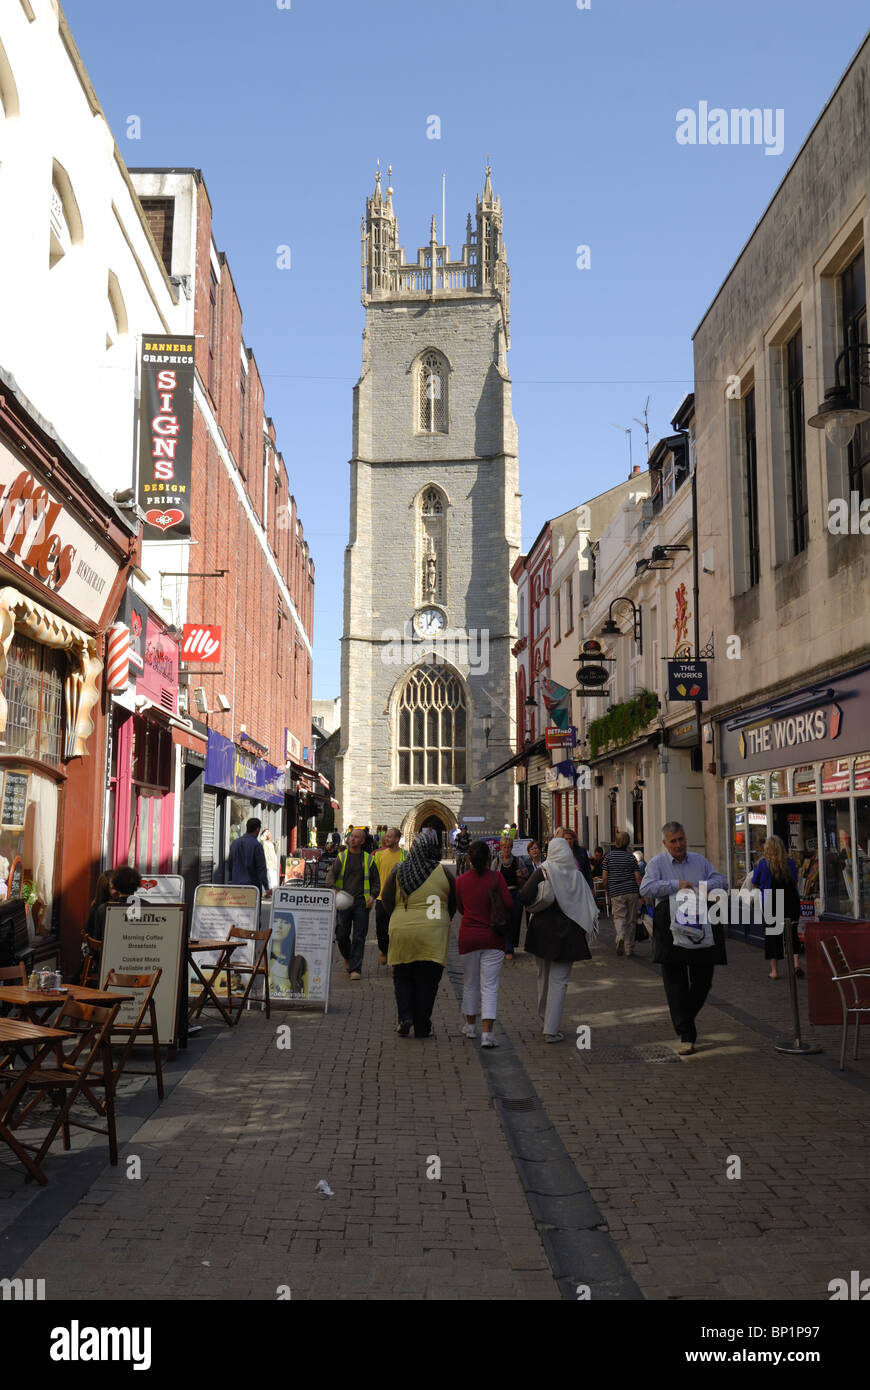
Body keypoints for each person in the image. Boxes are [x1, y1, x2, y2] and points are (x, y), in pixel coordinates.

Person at [640, 821, 728, 1056]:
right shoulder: (657, 864)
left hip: (701, 927)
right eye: (674, 841)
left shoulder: (699, 861)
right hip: (670, 928)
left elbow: (722, 881)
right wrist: (674, 885)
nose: (679, 845)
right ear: (665, 844)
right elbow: (646, 889)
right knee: (675, 983)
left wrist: (702, 886)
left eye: (681, 839)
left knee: (703, 981)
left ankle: (684, 1017)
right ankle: (687, 1034)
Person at [518, 836, 598, 1042]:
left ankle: (545, 1017)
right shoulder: (577, 875)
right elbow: (586, 905)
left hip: (542, 933)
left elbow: (524, 896)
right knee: (559, 982)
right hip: (568, 936)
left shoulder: (544, 871)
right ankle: (550, 1029)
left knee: (543, 977)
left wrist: (539, 902)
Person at [380, 829, 455, 1038]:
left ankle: (405, 1017)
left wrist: (398, 915)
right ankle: (422, 1026)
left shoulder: (399, 870)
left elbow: (386, 900)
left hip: (402, 929)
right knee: (428, 981)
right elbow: (453, 903)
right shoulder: (443, 871)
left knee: (402, 976)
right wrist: (443, 920)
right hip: (433, 933)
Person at [456, 840, 513, 1047]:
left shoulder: (461, 881)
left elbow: (460, 907)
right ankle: (487, 1034)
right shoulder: (496, 878)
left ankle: (470, 1027)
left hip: (468, 937)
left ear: (469, 858)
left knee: (470, 982)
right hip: (492, 938)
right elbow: (508, 903)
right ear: (489, 858)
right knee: (489, 986)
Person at [326, 828, 379, 980]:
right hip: (344, 902)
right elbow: (330, 877)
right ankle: (348, 957)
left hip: (362, 902)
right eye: (351, 837)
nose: (353, 839)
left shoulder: (368, 859)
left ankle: (356, 969)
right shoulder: (341, 857)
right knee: (341, 935)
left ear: (362, 841)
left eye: (356, 837)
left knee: (359, 936)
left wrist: (373, 895)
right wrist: (334, 890)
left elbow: (376, 880)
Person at [752, 835, 803, 980]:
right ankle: (795, 964)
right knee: (792, 934)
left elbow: (755, 881)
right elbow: (794, 881)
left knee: (772, 937)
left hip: (771, 902)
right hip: (790, 901)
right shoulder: (790, 863)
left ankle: (774, 971)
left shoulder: (762, 864)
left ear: (767, 848)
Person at [603, 831, 643, 957]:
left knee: (619, 916)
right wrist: (641, 892)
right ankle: (628, 948)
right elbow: (637, 877)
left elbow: (604, 877)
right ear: (627, 842)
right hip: (631, 890)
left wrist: (607, 889)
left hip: (616, 890)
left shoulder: (608, 857)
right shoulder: (631, 857)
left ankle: (620, 935)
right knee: (631, 920)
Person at [373, 827, 404, 965]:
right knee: (382, 929)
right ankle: (383, 949)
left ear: (397, 839)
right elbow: (373, 877)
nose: (386, 838)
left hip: (399, 899)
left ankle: (396, 955)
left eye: (389, 836)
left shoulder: (406, 855)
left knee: (398, 929)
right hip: (381, 898)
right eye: (386, 836)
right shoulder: (379, 855)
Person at [495, 834, 521, 961]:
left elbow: (524, 876)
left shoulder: (517, 861)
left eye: (509, 847)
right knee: (504, 921)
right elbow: (492, 877)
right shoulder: (497, 861)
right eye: (504, 847)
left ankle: (511, 946)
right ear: (501, 847)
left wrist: (521, 874)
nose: (506, 849)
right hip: (501, 895)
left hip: (515, 894)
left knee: (514, 921)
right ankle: (507, 948)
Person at [227, 817, 271, 894]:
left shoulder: (235, 843)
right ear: (257, 829)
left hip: (236, 885)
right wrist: (266, 887)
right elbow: (261, 868)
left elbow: (230, 864)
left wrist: (231, 880)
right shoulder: (257, 845)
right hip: (252, 888)